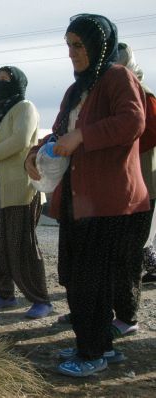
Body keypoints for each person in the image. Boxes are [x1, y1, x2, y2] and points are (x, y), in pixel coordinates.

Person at [25, 14, 150, 377]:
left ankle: (91, 351)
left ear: (98, 45)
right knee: (79, 278)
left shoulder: (117, 77)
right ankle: (97, 346)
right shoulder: (77, 89)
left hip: (111, 200)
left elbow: (133, 122)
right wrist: (36, 152)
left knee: (93, 281)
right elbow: (61, 131)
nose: (71, 53)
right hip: (80, 202)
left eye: (78, 45)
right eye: (68, 45)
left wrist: (83, 137)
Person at [0, 66, 52, 319]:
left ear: (18, 83)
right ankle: (3, 294)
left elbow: (20, 141)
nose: (0, 83)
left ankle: (40, 299)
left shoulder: (24, 108)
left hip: (19, 189)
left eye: (6, 79)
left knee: (22, 246)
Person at [117, 43, 156, 285]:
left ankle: (128, 290)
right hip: (123, 179)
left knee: (136, 238)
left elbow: (151, 132)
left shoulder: (144, 93)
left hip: (143, 178)